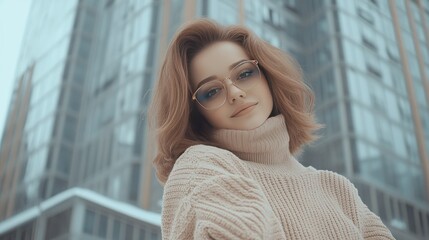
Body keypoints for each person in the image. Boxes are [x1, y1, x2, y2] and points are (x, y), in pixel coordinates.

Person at [149, 19, 395, 239]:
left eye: (244, 73)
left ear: (268, 75)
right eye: (211, 91)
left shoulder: (337, 189)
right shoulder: (199, 166)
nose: (235, 93)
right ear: (195, 112)